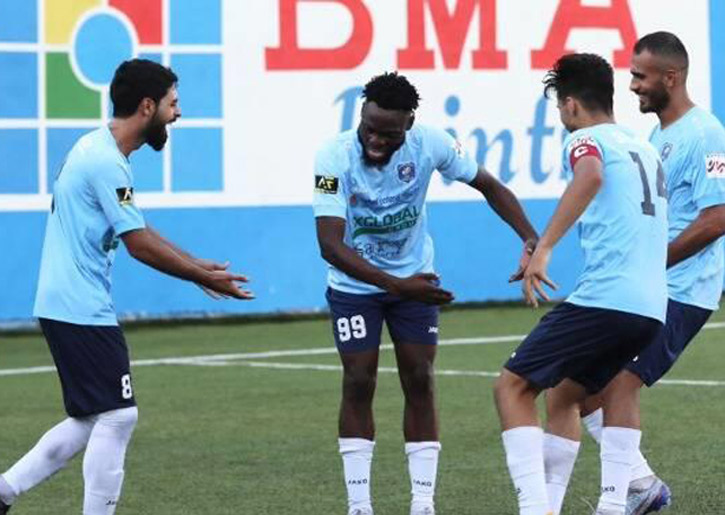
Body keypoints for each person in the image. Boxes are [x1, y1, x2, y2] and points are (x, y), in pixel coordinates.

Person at [0, 59, 253, 515]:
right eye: (173, 104)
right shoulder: (105, 162)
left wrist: (197, 265)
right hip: (79, 305)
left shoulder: (99, 150)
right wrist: (201, 277)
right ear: (147, 106)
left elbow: (136, 228)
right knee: (119, 415)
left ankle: (4, 492)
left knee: (90, 418)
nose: (178, 113)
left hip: (66, 302)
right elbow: (138, 245)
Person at [312, 72, 538, 515]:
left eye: (389, 134)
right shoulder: (332, 157)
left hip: (414, 278)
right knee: (358, 380)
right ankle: (359, 505)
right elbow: (331, 246)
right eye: (370, 128)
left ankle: (422, 503)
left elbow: (489, 185)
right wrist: (397, 286)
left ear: (409, 124)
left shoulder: (432, 143)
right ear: (361, 115)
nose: (376, 140)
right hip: (355, 286)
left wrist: (531, 238)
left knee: (419, 377)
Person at [543, 32, 725, 515]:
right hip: (646, 287)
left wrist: (649, 260)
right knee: (579, 388)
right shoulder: (656, 138)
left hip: (684, 289)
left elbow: (718, 217)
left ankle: (615, 501)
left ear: (672, 77)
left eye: (641, 77)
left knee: (620, 382)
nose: (633, 86)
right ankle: (641, 483)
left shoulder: (707, 133)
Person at [493, 53, 669, 515]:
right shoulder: (644, 147)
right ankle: (607, 504)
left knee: (512, 387)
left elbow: (589, 175)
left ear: (570, 105)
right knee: (567, 394)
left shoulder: (584, 139)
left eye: (559, 108)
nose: (561, 116)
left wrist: (545, 246)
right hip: (651, 307)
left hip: (606, 298)